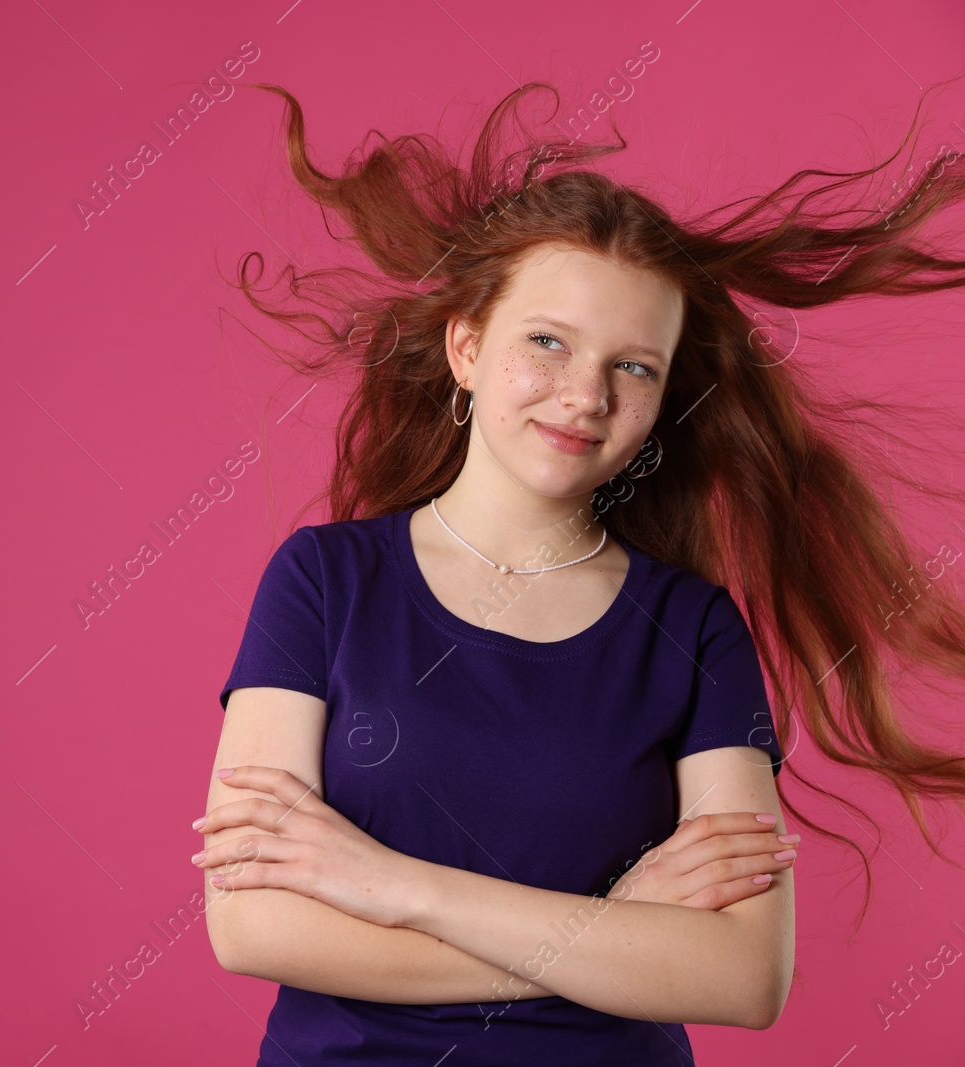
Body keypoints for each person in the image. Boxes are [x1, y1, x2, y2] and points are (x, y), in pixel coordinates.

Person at [193, 80, 965, 1065]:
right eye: (546, 342)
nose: (585, 396)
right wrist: (604, 927)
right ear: (467, 347)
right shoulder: (324, 583)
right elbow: (254, 924)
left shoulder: (694, 629)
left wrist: (398, 886)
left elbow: (740, 976)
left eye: (632, 367)